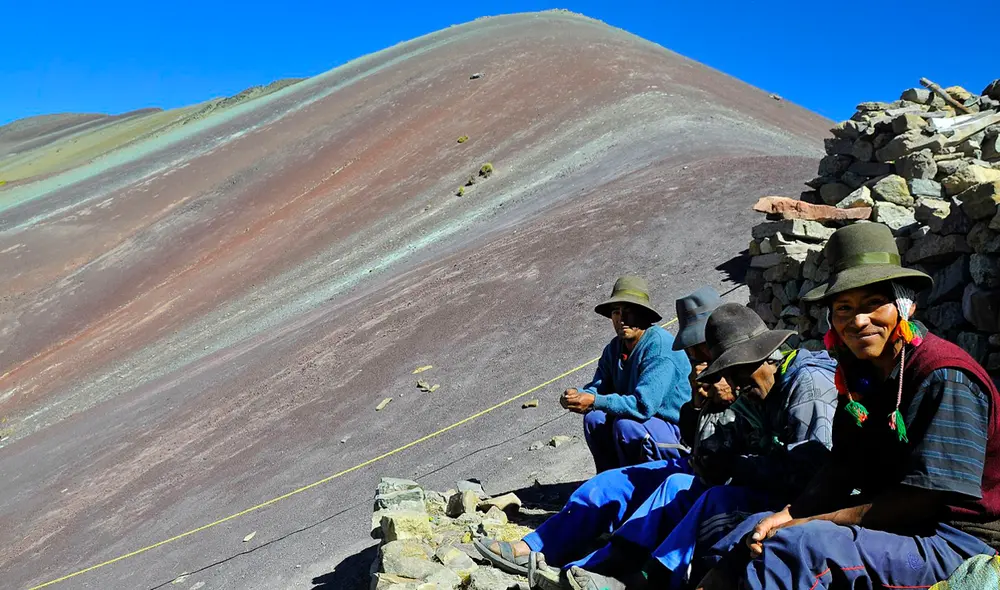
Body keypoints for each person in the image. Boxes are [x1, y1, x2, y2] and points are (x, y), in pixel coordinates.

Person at [697, 222, 1000, 590]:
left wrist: (819, 521)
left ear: (904, 305)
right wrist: (790, 513)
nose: (858, 321)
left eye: (874, 304)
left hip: (953, 538)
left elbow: (924, 500)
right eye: (844, 308)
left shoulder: (944, 378)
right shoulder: (859, 374)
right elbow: (843, 465)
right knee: (751, 534)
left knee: (804, 546)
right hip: (897, 522)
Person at [566, 303, 838, 590]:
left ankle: (648, 579)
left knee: (715, 501)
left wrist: (739, 465)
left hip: (807, 505)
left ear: (766, 357)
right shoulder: (754, 388)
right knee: (678, 488)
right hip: (765, 486)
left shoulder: (806, 385)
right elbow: (708, 455)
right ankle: (604, 566)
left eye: (738, 373)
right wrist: (703, 406)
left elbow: (812, 475)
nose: (735, 384)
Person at [474, 287, 727, 582]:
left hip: (695, 459)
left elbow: (645, 406)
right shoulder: (618, 351)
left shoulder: (736, 373)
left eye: (701, 348)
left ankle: (593, 570)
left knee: (634, 436)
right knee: (606, 482)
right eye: (616, 313)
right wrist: (699, 404)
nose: (694, 357)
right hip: (699, 466)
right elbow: (697, 435)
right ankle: (535, 547)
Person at [561, 276, 693, 472]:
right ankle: (611, 481)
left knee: (627, 426)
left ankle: (649, 483)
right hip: (642, 421)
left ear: (644, 315)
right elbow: (598, 388)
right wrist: (577, 395)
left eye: (629, 312)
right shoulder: (614, 349)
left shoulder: (659, 348)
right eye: (616, 312)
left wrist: (594, 400)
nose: (621, 319)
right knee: (594, 418)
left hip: (675, 430)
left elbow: (643, 406)